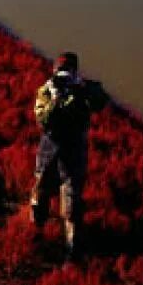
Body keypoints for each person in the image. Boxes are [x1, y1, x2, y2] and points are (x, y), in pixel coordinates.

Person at [31, 51, 108, 257]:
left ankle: (71, 250)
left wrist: (82, 88)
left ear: (75, 72)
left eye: (68, 72)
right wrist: (56, 98)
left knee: (72, 205)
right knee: (40, 194)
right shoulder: (46, 92)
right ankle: (35, 232)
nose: (63, 76)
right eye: (60, 71)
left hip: (74, 155)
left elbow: (101, 102)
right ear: (54, 72)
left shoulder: (84, 89)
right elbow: (44, 121)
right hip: (49, 151)